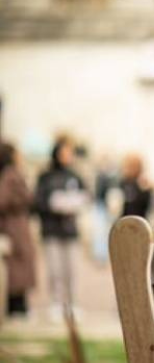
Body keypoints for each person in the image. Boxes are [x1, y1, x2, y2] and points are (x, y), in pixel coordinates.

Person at [35, 135, 87, 320]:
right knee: (55, 269)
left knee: (71, 270)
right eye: (64, 152)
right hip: (51, 229)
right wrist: (53, 204)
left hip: (70, 230)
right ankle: (56, 304)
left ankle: (72, 304)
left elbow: (85, 195)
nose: (67, 156)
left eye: (70, 153)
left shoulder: (75, 176)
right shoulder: (46, 176)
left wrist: (74, 203)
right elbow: (38, 201)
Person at [0, 141, 36, 318]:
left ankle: (19, 305)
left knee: (20, 265)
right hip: (13, 226)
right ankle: (16, 306)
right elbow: (4, 200)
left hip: (17, 224)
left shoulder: (11, 173)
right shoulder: (10, 174)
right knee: (16, 266)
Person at [119, 153, 153, 219]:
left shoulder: (143, 183)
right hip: (124, 222)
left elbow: (146, 205)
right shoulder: (123, 182)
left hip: (139, 222)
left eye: (132, 166)